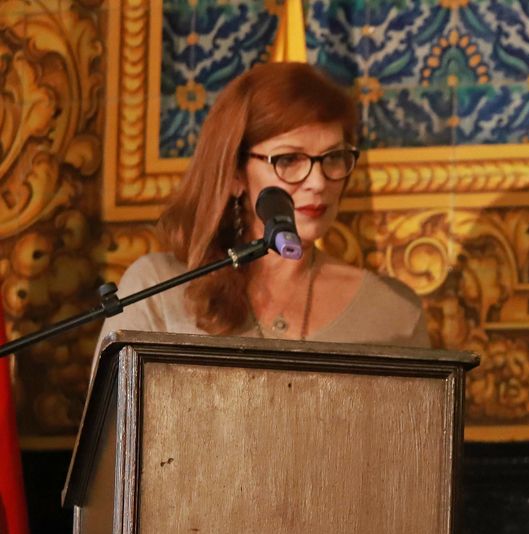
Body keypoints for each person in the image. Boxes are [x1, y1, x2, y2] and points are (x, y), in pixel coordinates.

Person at [98, 62, 429, 348]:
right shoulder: (156, 289)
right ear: (235, 174)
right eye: (289, 159)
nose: (318, 182)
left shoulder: (393, 312)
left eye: (333, 157)